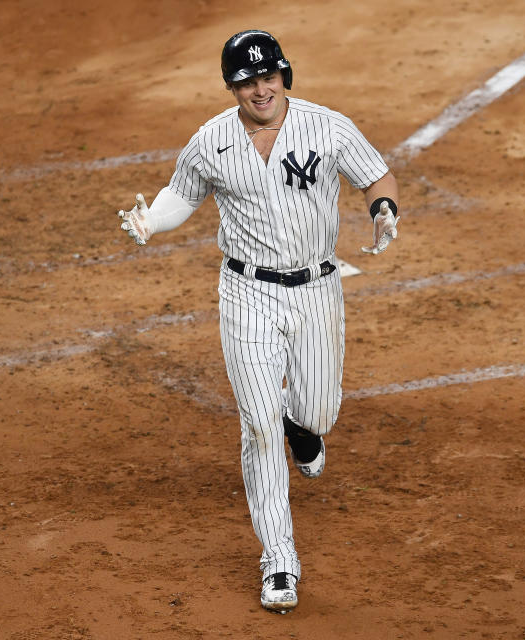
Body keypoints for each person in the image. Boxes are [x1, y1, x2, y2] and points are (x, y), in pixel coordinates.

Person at [117, 29, 399, 612]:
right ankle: (279, 560)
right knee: (258, 425)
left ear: (283, 74)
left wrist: (383, 208)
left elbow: (376, 174)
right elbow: (180, 194)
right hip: (246, 294)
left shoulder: (328, 126)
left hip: (318, 288)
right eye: (246, 81)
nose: (259, 89)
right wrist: (154, 222)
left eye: (267, 76)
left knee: (318, 410)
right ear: (232, 87)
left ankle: (305, 427)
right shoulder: (212, 139)